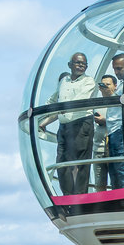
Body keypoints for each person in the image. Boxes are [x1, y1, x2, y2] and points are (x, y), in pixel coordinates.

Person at [38, 53, 97, 194]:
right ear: (70, 65)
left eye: (84, 63)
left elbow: (77, 101)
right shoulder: (63, 81)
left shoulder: (89, 81)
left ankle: (80, 196)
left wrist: (60, 110)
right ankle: (68, 194)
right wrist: (41, 118)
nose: (81, 65)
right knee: (61, 161)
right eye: (77, 63)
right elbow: (54, 100)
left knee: (80, 162)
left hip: (81, 124)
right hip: (64, 126)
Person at [94, 74, 124, 189]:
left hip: (113, 146)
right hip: (98, 147)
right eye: (102, 85)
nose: (105, 87)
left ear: (115, 86)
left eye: (108, 84)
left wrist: (105, 120)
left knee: (116, 179)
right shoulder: (96, 103)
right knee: (99, 182)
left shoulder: (118, 102)